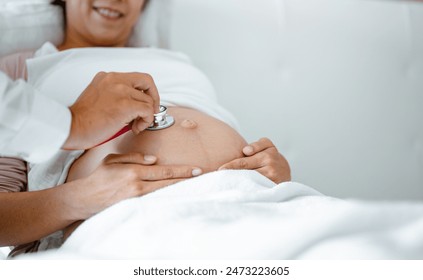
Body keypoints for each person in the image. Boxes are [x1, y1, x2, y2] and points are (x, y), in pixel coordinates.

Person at [0, 0, 290, 254]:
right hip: (130, 219)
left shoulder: (180, 61)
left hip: (248, 201)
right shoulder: (21, 69)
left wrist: (273, 171)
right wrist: (78, 199)